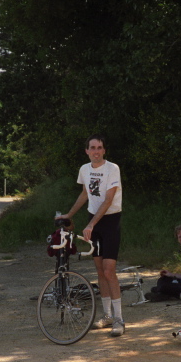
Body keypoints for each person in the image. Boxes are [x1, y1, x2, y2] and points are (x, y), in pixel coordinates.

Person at [57, 134, 125, 336]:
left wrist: (91, 224)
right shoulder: (84, 170)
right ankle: (106, 315)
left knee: (109, 269)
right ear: (87, 151)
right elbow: (85, 194)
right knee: (99, 270)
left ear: (104, 150)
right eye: (92, 148)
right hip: (93, 220)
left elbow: (108, 199)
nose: (96, 151)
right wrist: (70, 214)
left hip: (110, 221)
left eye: (99, 147)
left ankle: (119, 319)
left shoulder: (112, 169)